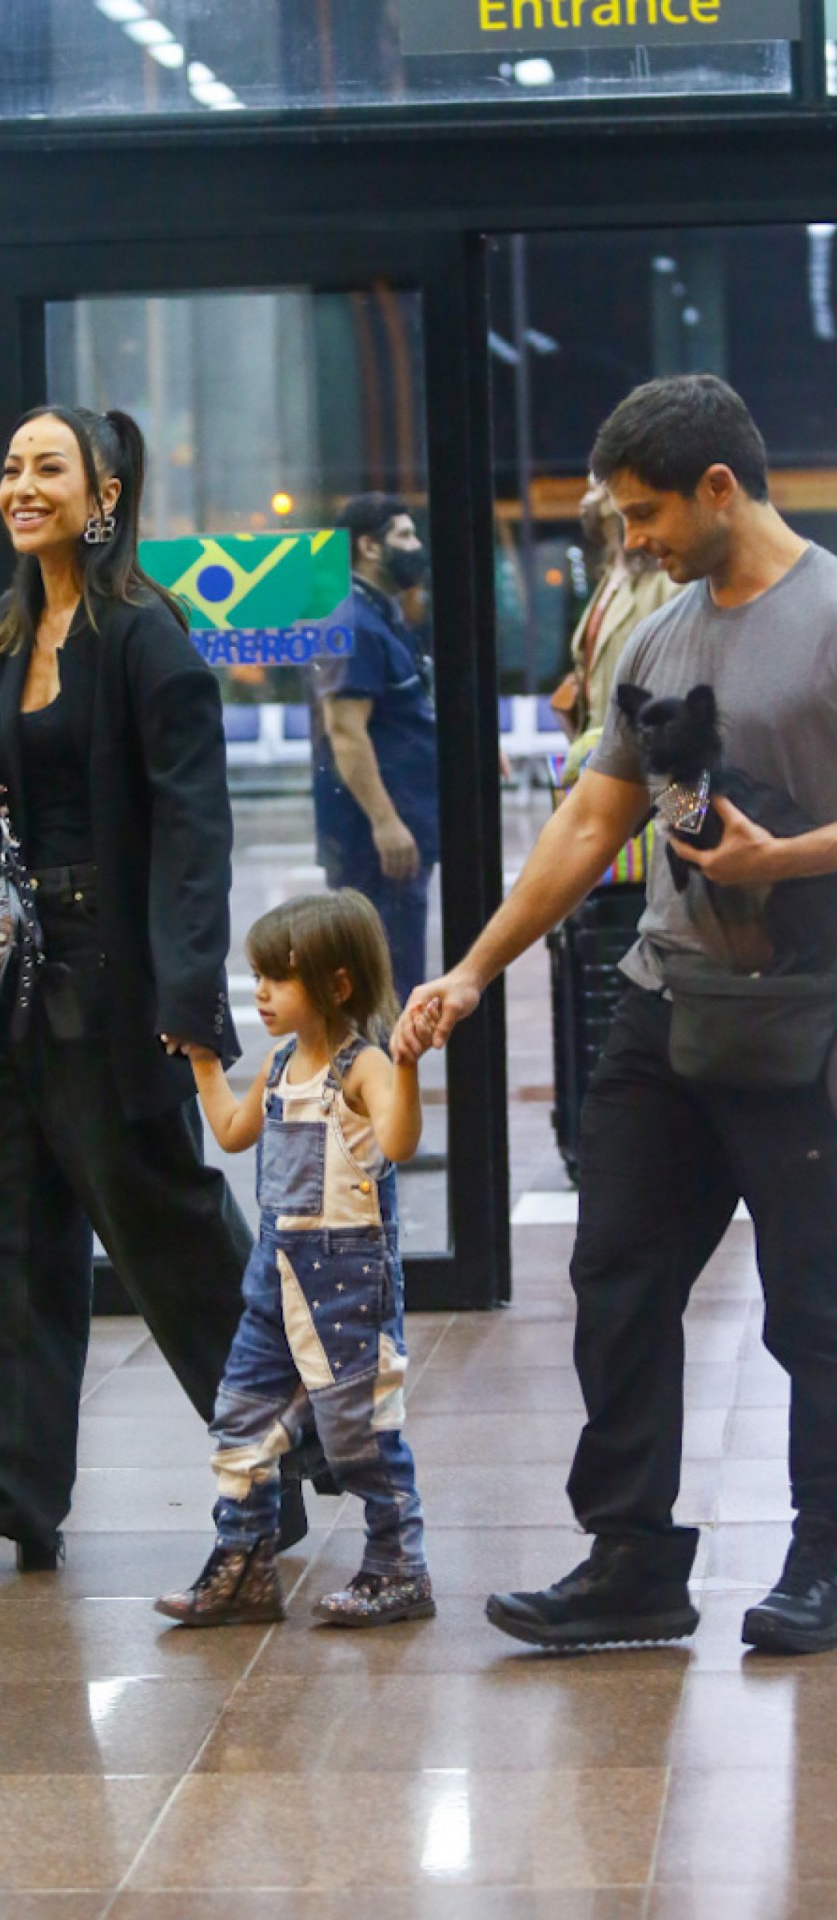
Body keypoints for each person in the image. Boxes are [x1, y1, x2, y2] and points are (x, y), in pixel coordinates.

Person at [396, 374, 837, 1657]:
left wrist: (781, 862)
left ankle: (822, 1555)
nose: (629, 540)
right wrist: (470, 970)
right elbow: (592, 822)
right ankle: (630, 1561)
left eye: (642, 514)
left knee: (813, 1303)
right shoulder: (653, 638)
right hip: (660, 1009)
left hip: (801, 1018)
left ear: (718, 487)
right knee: (616, 1281)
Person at [0, 404, 315, 1579]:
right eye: (11, 465)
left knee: (164, 1229)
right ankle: (1, 1483)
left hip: (110, 981)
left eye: (48, 468)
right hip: (12, 984)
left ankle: (269, 1451)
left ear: (104, 493)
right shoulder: (6, 629)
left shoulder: (146, 638)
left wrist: (189, 1003)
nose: (21, 485)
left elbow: (192, 832)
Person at [155, 890, 436, 1629]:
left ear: (336, 985)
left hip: (348, 1286)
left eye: (277, 978)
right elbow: (230, 1130)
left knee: (358, 1432)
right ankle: (243, 1565)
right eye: (256, 977)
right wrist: (205, 1062)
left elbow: (400, 1142)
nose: (261, 993)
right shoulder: (281, 1064)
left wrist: (406, 1066)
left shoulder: (362, 1066)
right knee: (239, 1417)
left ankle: (398, 1567)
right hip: (274, 1282)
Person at [312, 494, 440, 1007]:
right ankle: (379, 1086)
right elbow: (346, 731)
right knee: (382, 993)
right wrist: (387, 823)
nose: (417, 548)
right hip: (378, 842)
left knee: (396, 978)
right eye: (404, 537)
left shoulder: (379, 616)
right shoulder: (353, 622)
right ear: (368, 546)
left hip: (400, 828)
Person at [552, 476, 681, 740]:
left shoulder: (665, 583)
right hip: (597, 755)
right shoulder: (609, 578)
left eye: (597, 486)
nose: (587, 498)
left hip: (640, 759)